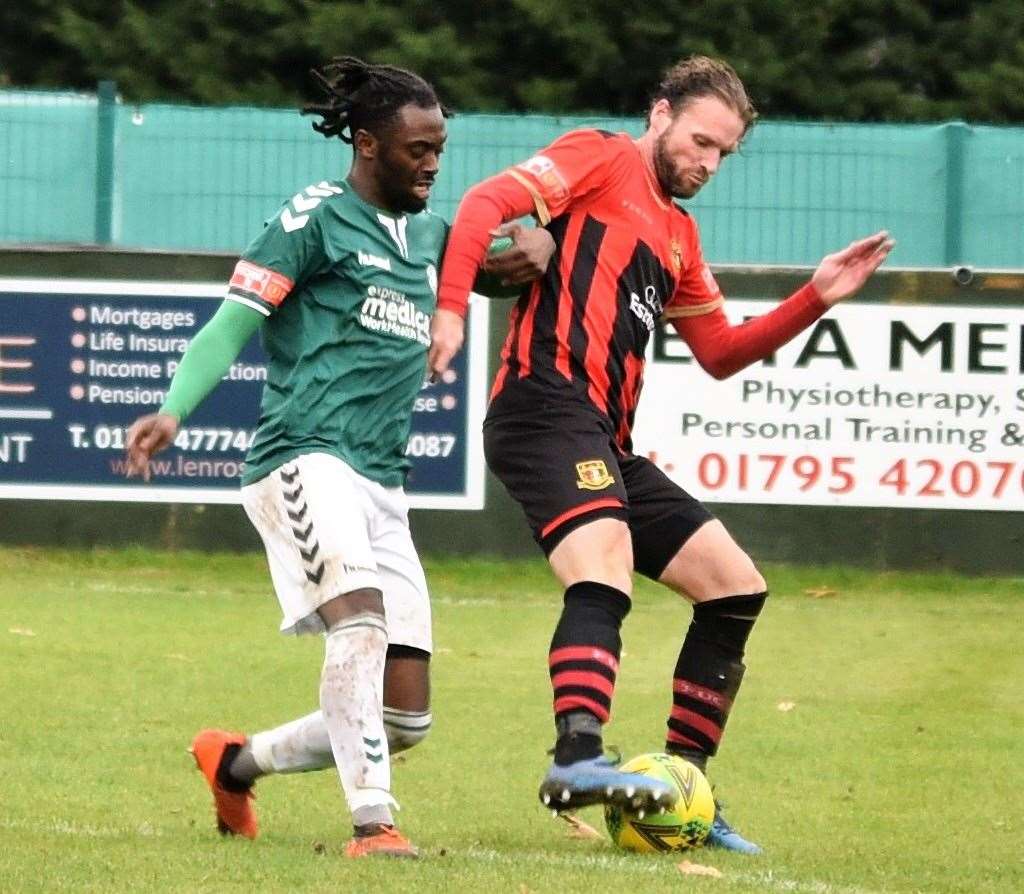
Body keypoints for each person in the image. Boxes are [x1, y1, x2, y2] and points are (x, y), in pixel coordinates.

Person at [430, 55, 893, 854]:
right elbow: (483, 202)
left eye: (723, 154)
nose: (708, 163)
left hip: (605, 437)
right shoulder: (599, 158)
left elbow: (717, 350)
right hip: (543, 407)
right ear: (660, 115)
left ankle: (686, 793)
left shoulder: (678, 234)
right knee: (602, 562)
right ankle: (576, 757)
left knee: (733, 587)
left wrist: (814, 297)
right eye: (701, 142)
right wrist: (451, 312)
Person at [125, 57, 553, 859]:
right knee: (357, 625)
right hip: (302, 459)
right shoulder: (311, 220)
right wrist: (174, 409)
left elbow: (507, 257)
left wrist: (539, 246)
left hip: (382, 481)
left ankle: (235, 762)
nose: (432, 163)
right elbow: (230, 325)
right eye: (416, 149)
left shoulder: (431, 237)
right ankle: (373, 825)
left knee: (405, 719)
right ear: (364, 144)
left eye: (440, 149)